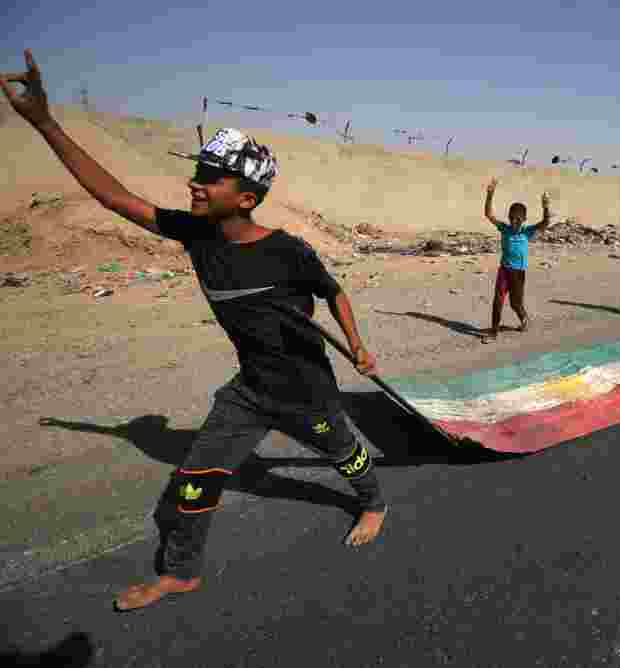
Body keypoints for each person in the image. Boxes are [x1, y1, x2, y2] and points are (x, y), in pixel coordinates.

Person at [1, 50, 388, 611]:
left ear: (247, 198)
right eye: (198, 173)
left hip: (306, 390)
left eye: (212, 178)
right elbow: (111, 195)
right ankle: (181, 571)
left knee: (344, 453)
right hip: (249, 392)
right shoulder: (196, 234)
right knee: (194, 479)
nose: (196, 183)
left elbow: (334, 292)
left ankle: (373, 500)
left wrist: (357, 345)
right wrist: (44, 121)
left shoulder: (287, 251)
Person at [481, 178, 552, 343]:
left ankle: (524, 319)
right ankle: (493, 332)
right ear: (509, 217)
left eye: (518, 220)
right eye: (512, 218)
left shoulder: (527, 232)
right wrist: (490, 194)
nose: (514, 222)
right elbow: (488, 214)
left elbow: (545, 222)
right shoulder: (504, 229)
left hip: (518, 273)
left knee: (515, 304)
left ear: (524, 220)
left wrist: (546, 206)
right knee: (498, 300)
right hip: (504, 270)